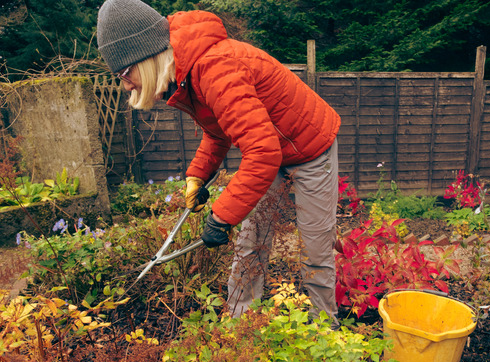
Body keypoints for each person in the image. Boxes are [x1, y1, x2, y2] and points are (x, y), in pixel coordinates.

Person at [97, 0, 341, 327]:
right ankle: (241, 327)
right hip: (269, 148)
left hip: (311, 146)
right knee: (251, 238)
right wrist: (197, 176)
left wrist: (222, 216)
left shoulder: (216, 68)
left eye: (126, 73)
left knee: (316, 247)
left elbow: (263, 153)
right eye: (119, 75)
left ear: (148, 56)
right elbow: (218, 132)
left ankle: (326, 332)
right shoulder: (184, 75)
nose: (126, 84)